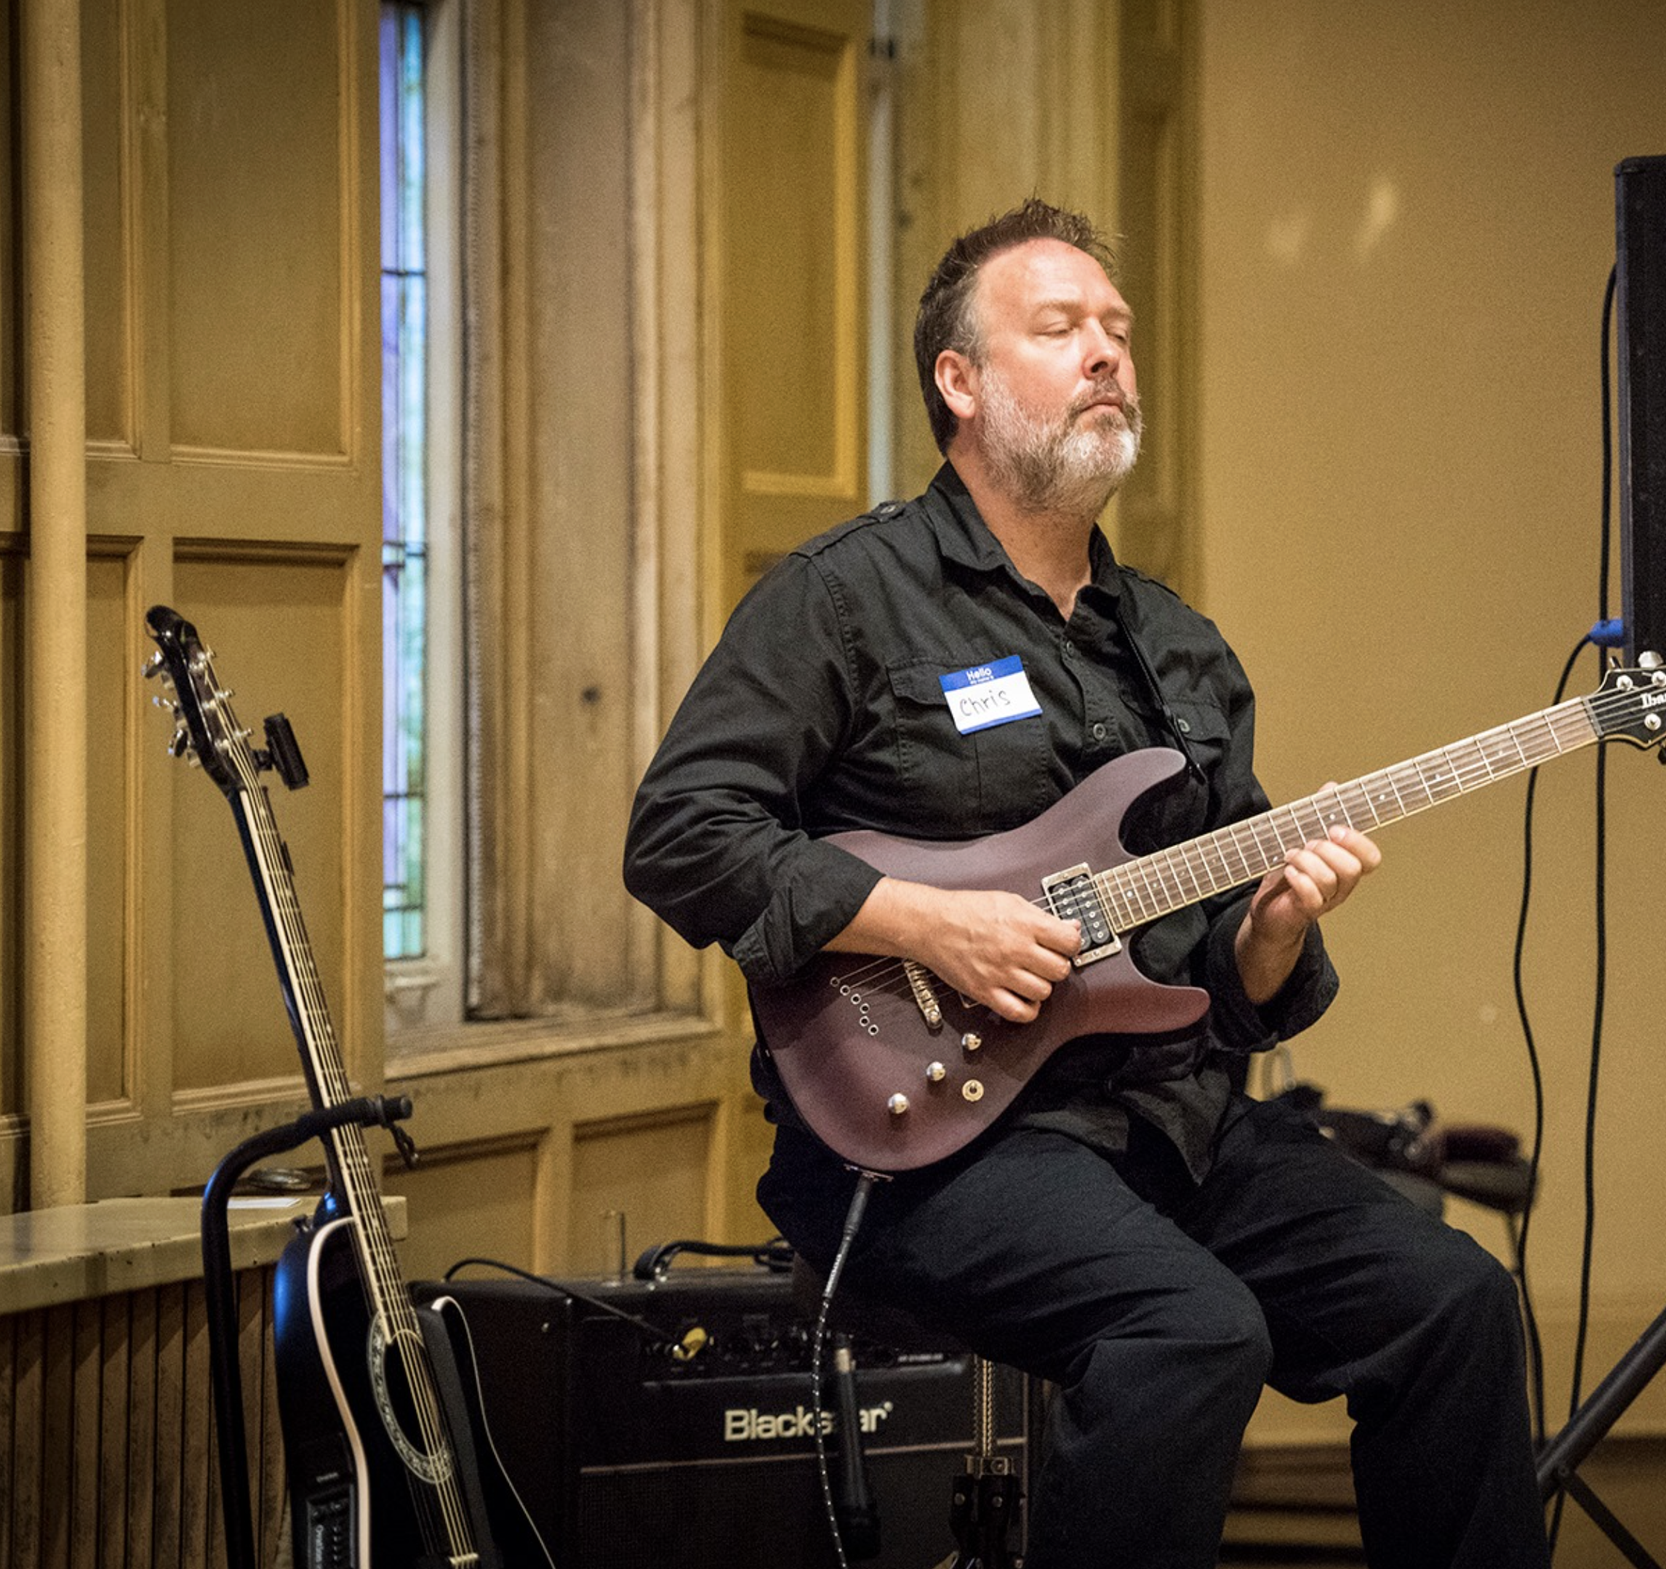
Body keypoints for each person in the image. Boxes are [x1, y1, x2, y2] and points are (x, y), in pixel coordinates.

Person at [624, 199, 1547, 1569]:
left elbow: (1224, 996)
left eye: (1118, 330)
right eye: (1061, 330)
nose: (1109, 353)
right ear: (962, 381)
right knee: (1191, 1329)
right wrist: (923, 923)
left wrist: (1276, 926)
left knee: (1456, 1299)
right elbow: (681, 832)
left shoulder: (1177, 647)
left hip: (1170, 1130)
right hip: (935, 1147)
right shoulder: (844, 598)